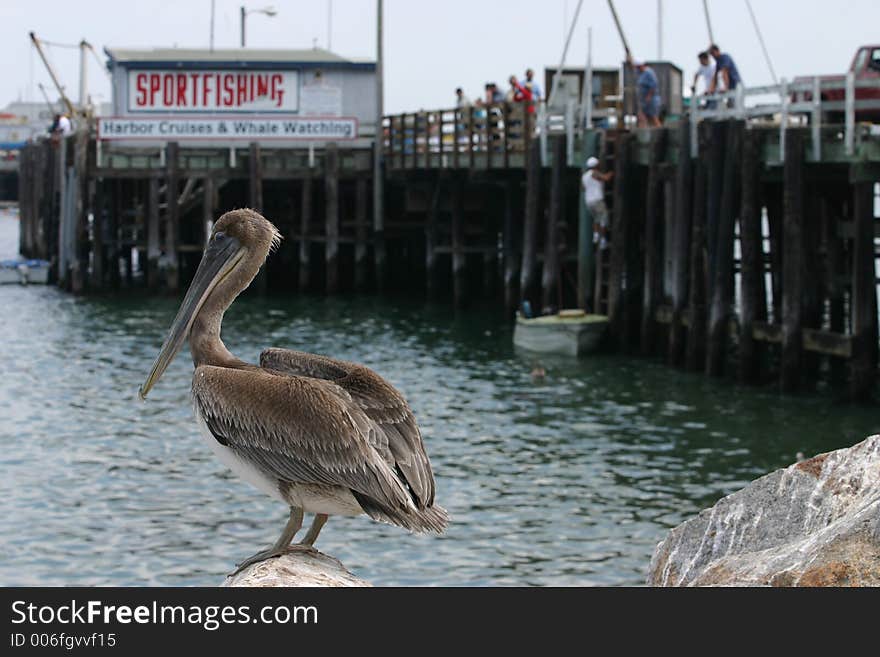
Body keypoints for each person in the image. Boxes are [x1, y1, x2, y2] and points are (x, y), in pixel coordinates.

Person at [582, 156, 614, 250]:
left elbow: (583, 188)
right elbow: (606, 178)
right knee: (604, 219)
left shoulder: (584, 176)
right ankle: (603, 240)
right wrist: (612, 173)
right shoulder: (594, 173)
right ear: (596, 165)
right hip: (597, 200)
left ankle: (595, 236)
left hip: (588, 202)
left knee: (596, 219)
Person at [630, 58, 662, 128]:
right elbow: (631, 65)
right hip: (643, 100)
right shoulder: (640, 72)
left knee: (653, 117)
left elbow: (653, 86)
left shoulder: (649, 73)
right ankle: (643, 132)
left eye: (638, 67)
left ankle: (660, 132)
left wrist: (649, 97)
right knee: (641, 116)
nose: (637, 68)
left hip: (651, 100)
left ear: (642, 65)